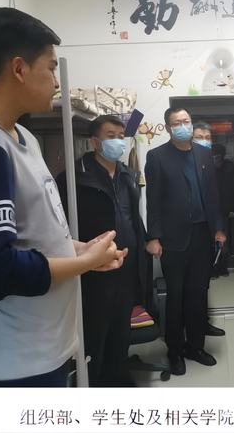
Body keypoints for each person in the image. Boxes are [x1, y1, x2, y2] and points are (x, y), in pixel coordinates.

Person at [0, 7, 127, 387]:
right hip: (5, 361)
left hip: (39, 347)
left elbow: (33, 233)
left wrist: (82, 250)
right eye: (50, 68)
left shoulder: (22, 138)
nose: (56, 81)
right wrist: (83, 264)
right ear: (19, 69)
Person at [56, 115, 147, 387]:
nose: (118, 141)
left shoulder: (129, 175)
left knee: (121, 325)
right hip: (95, 266)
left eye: (121, 135)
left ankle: (118, 375)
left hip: (127, 261)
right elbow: (60, 225)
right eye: (111, 136)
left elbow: (133, 217)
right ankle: (94, 383)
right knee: (96, 327)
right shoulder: (74, 177)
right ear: (96, 142)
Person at [145, 107, 226, 375]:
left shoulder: (203, 154)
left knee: (198, 294)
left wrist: (218, 227)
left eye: (187, 121)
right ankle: (175, 350)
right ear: (168, 128)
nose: (184, 126)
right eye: (177, 123)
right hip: (173, 238)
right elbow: (153, 200)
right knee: (176, 296)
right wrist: (154, 236)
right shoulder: (157, 156)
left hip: (202, 235)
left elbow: (212, 194)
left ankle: (195, 347)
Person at [191, 121, 227, 336]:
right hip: (186, 233)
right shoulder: (183, 161)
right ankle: (191, 327)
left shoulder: (208, 161)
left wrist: (218, 228)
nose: (204, 141)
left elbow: (214, 198)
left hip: (207, 230)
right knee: (189, 287)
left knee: (203, 283)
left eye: (207, 138)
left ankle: (202, 323)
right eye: (199, 137)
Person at [210, 142, 234, 279]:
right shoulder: (208, 169)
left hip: (225, 209)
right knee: (212, 241)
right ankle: (212, 268)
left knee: (224, 241)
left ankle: (223, 267)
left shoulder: (230, 169)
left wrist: (233, 207)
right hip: (211, 209)